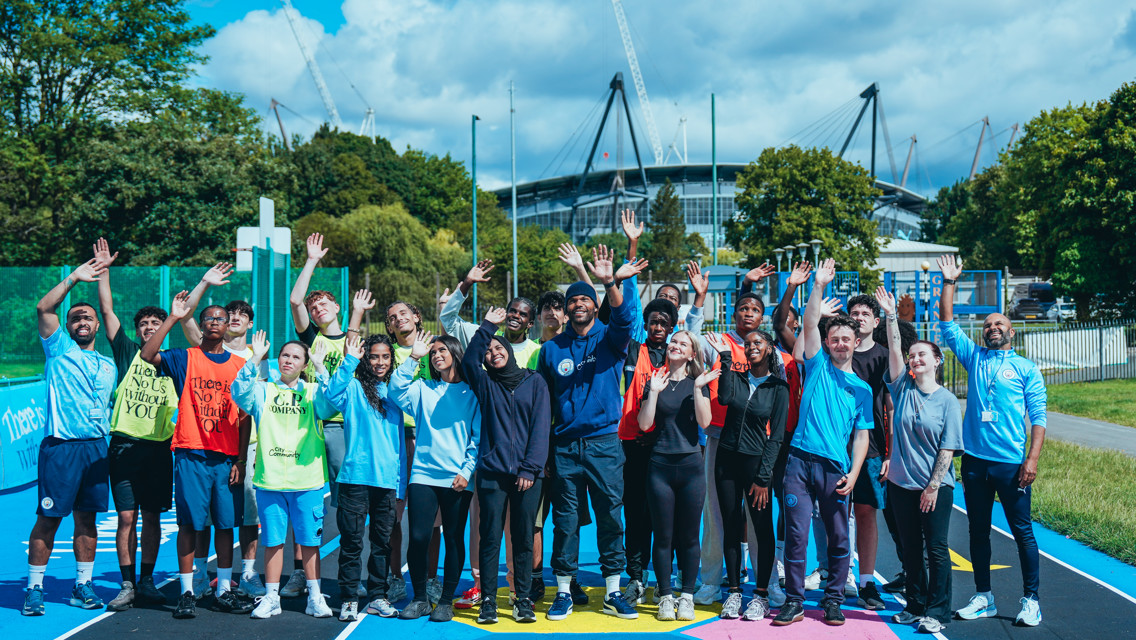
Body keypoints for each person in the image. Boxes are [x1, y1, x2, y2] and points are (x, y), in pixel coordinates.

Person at [937, 254, 1047, 627]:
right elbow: (948, 324)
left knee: (1022, 532)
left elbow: (1039, 419)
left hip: (1011, 464)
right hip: (975, 463)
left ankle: (1031, 599)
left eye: (1000, 323)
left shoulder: (1025, 368)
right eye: (988, 324)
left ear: (1012, 332)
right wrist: (949, 282)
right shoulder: (974, 357)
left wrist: (1030, 460)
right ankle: (983, 595)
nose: (993, 327)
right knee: (977, 531)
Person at [537, 245, 645, 621]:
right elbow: (544, 406)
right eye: (573, 301)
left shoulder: (610, 339)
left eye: (586, 299)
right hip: (565, 446)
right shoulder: (550, 350)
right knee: (565, 521)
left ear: (594, 306)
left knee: (610, 517)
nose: (579, 304)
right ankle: (564, 591)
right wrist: (544, 453)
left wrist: (609, 282)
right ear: (566, 309)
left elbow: (625, 315)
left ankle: (613, 592)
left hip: (603, 444)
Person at [772, 258, 872, 627]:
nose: (840, 343)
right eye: (835, 339)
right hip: (799, 462)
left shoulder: (861, 389)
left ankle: (833, 600)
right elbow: (810, 321)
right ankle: (795, 601)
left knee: (837, 536)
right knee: (796, 535)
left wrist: (856, 472)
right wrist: (818, 285)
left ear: (856, 342)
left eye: (847, 338)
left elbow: (862, 435)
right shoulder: (815, 364)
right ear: (827, 343)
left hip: (835, 468)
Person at [141, 293, 253, 618]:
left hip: (226, 458)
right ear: (201, 325)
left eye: (221, 318)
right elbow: (148, 354)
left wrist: (241, 461)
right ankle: (188, 592)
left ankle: (223, 591)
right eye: (210, 318)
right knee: (190, 524)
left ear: (228, 326)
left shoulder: (240, 366)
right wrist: (173, 318)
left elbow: (245, 419)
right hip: (191, 453)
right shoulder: (185, 357)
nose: (216, 321)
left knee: (224, 526)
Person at [85, 239, 177, 612]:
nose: (148, 328)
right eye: (144, 324)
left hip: (159, 450)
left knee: (152, 517)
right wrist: (104, 269)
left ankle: (148, 580)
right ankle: (126, 583)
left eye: (155, 323)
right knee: (127, 517)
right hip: (124, 447)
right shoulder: (127, 353)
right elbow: (106, 308)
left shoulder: (176, 361)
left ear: (165, 329)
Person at [23, 257, 116, 617]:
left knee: (87, 521)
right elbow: (43, 306)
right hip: (61, 448)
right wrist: (74, 279)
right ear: (67, 325)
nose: (81, 322)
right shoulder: (59, 349)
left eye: (87, 318)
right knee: (49, 519)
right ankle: (33, 587)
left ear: (95, 325)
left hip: (95, 448)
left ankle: (82, 585)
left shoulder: (109, 364)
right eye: (75, 318)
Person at [875, 286, 963, 634]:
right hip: (901, 485)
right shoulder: (902, 388)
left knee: (936, 550)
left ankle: (938, 610)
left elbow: (947, 450)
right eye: (913, 355)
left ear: (937, 360)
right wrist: (891, 315)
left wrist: (932, 487)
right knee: (910, 550)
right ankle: (915, 604)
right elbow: (893, 348)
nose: (915, 359)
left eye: (923, 354)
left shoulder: (947, 401)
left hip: (934, 489)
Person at [231, 333, 336, 619]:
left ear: (304, 364)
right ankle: (271, 597)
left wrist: (322, 368)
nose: (288, 360)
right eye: (284, 355)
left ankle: (315, 597)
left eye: (296, 357)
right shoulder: (263, 391)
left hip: (307, 481)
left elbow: (334, 402)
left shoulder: (314, 392)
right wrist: (254, 359)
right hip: (271, 480)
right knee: (273, 542)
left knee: (310, 543)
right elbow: (238, 392)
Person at [179, 262, 267, 599]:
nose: (232, 320)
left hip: (248, 446)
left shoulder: (258, 357)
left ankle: (246, 574)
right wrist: (203, 283)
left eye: (240, 315)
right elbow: (186, 316)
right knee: (203, 518)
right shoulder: (206, 348)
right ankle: (201, 575)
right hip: (205, 446)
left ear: (249, 323)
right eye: (227, 315)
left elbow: (256, 406)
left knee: (246, 516)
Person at [460, 307, 552, 624]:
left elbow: (541, 429)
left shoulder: (535, 381)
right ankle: (487, 600)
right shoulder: (485, 385)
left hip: (527, 476)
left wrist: (530, 469)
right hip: (492, 474)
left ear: (510, 352)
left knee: (523, 539)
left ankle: (522, 599)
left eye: (499, 347)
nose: (493, 353)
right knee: (490, 538)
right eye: (489, 351)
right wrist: (487, 328)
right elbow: (468, 360)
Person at [389, 333, 481, 623]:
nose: (436, 355)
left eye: (442, 350)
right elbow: (395, 389)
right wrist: (413, 357)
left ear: (455, 352)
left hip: (457, 479)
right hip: (423, 475)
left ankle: (444, 601)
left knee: (453, 538)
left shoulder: (472, 392)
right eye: (433, 352)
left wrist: (466, 472)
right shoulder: (422, 388)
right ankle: (419, 599)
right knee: (418, 537)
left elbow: (477, 438)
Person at [705, 329, 789, 622]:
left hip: (756, 465)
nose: (752, 347)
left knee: (762, 529)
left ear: (769, 349)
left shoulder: (779, 387)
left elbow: (776, 437)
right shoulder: (736, 377)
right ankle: (734, 592)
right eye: (748, 344)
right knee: (730, 526)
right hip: (725, 461)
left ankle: (762, 595)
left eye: (758, 343)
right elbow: (725, 398)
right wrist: (726, 359)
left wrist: (764, 478)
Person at [321, 334, 406, 622]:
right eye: (374, 356)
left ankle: (377, 596)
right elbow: (330, 397)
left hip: (386, 481)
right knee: (352, 542)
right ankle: (348, 599)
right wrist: (348, 361)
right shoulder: (354, 387)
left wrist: (399, 486)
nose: (380, 362)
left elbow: (400, 445)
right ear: (365, 359)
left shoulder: (396, 391)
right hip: (355, 478)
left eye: (385, 357)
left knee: (382, 543)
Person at [634, 331, 717, 622]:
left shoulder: (698, 383)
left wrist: (698, 389)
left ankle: (687, 597)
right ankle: (666, 596)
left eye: (683, 343)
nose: (675, 345)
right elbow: (644, 425)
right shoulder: (654, 381)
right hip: (660, 467)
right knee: (663, 536)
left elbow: (705, 424)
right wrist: (653, 392)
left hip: (692, 467)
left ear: (692, 353)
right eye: (674, 341)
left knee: (689, 537)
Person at [288, 232, 353, 599]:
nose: (317, 309)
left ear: (338, 308)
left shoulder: (353, 338)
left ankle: (346, 571)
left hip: (343, 429)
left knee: (346, 505)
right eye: (315, 308)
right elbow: (297, 298)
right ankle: (300, 572)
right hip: (308, 426)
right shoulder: (311, 337)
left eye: (324, 303)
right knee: (304, 500)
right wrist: (311, 260)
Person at [618, 298, 679, 605]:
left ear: (672, 328)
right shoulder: (632, 350)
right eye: (653, 321)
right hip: (631, 443)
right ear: (646, 324)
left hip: (665, 446)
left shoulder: (677, 356)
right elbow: (618, 315)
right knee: (635, 513)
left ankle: (664, 579)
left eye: (664, 323)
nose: (658, 327)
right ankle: (636, 577)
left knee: (664, 517)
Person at [844, 292, 892, 610]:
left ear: (876, 321)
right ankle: (836, 575)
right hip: (834, 444)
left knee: (865, 514)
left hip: (871, 447)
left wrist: (890, 453)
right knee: (834, 515)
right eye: (854, 312)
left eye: (865, 313)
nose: (859, 316)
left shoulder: (884, 357)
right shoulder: (836, 350)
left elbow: (891, 405)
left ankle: (866, 582)